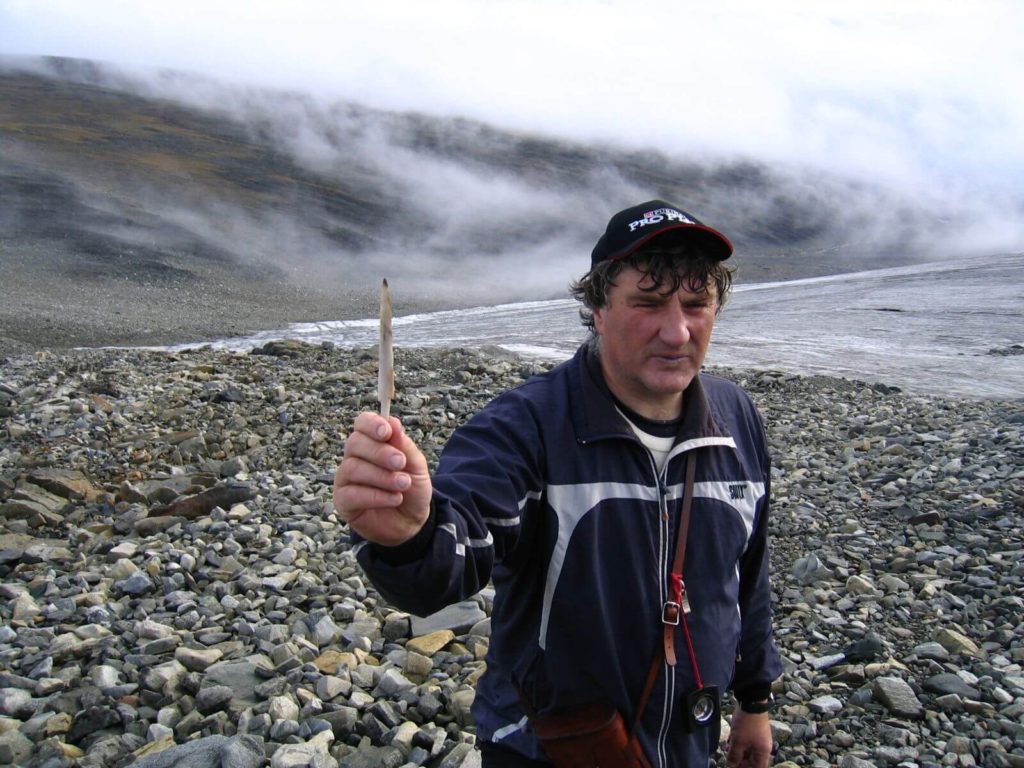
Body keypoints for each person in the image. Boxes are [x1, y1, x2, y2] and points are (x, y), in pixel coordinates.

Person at [334, 200, 783, 767]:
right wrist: (410, 537)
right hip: (549, 746)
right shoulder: (525, 426)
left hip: (686, 744)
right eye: (647, 303)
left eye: (697, 304)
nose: (677, 331)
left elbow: (748, 574)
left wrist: (756, 700)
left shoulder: (735, 416)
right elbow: (458, 549)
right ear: (597, 306)